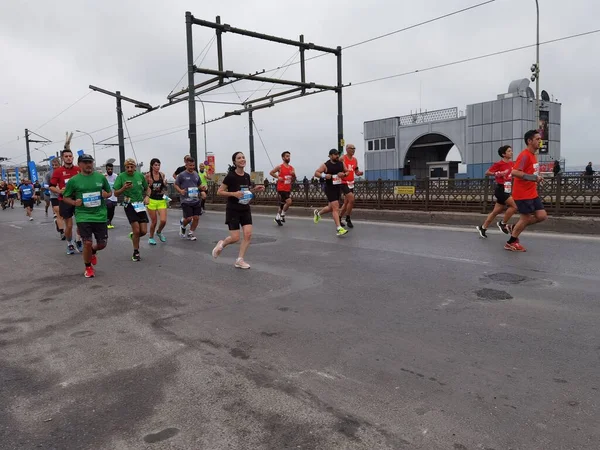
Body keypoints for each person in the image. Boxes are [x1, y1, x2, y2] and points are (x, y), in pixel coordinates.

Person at [211, 151, 265, 269]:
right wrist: (234, 194)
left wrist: (255, 189)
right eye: (239, 158)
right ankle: (222, 243)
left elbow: (245, 191)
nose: (242, 159)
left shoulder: (246, 176)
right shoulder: (230, 176)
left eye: (243, 157)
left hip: (245, 208)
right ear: (235, 162)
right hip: (233, 209)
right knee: (235, 238)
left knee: (248, 235)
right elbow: (219, 192)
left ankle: (239, 260)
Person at [61, 154, 112, 278]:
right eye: (86, 162)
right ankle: (88, 267)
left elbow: (110, 192)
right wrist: (74, 202)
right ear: (80, 164)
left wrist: (106, 194)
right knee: (87, 242)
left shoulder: (100, 178)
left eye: (90, 162)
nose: (89, 164)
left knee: (102, 244)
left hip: (100, 215)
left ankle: (93, 251)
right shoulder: (74, 180)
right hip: (83, 215)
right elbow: (65, 197)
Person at [504, 130, 547, 252]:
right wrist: (534, 178)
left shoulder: (533, 155)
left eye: (540, 139)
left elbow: (530, 172)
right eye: (537, 139)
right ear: (529, 141)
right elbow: (515, 172)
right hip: (522, 194)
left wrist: (537, 177)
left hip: (532, 192)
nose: (540, 141)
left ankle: (513, 227)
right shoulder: (524, 155)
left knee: (542, 216)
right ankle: (511, 242)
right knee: (525, 218)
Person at [113, 158, 150, 261]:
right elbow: (115, 193)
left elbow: (147, 188)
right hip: (129, 204)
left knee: (143, 231)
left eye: (131, 167)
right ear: (125, 167)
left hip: (140, 204)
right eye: (127, 167)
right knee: (137, 230)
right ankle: (136, 252)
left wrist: (147, 196)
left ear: (135, 167)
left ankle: (133, 236)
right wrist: (123, 188)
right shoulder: (121, 176)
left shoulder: (140, 176)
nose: (129, 169)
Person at [476, 145, 517, 238]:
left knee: (495, 212)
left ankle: (483, 227)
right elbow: (487, 172)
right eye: (509, 151)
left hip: (507, 188)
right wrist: (498, 173)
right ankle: (502, 223)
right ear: (503, 154)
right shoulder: (499, 164)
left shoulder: (511, 164)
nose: (511, 152)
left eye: (511, 151)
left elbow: (514, 173)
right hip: (500, 189)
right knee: (514, 206)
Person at [50, 146, 83, 254]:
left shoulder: (78, 169)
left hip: (78, 200)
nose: (68, 158)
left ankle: (78, 240)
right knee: (69, 225)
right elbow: (52, 186)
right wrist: (59, 191)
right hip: (65, 200)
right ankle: (69, 244)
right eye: (66, 156)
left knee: (81, 223)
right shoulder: (58, 171)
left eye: (70, 156)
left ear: (73, 157)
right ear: (63, 158)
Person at [312, 149, 349, 236]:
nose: (337, 156)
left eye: (338, 154)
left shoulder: (341, 163)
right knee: (336, 207)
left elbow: (347, 171)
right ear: (330, 155)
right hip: (329, 188)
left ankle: (318, 213)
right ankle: (339, 228)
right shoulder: (326, 165)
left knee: (330, 208)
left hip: (338, 187)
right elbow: (316, 173)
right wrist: (324, 175)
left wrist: (343, 174)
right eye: (335, 154)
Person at [174, 157, 205, 241]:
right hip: (185, 200)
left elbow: (199, 185)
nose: (192, 167)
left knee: (196, 218)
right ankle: (183, 226)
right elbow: (175, 184)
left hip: (195, 199)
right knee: (188, 218)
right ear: (186, 165)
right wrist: (180, 191)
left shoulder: (195, 174)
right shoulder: (182, 175)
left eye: (193, 165)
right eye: (190, 165)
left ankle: (190, 233)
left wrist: (202, 189)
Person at [339, 143, 363, 228]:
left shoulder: (355, 160)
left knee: (346, 203)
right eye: (351, 148)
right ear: (347, 149)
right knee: (352, 200)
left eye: (354, 148)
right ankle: (348, 218)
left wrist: (359, 173)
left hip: (351, 183)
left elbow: (356, 171)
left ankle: (339, 217)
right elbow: (338, 169)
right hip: (343, 182)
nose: (353, 150)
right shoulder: (342, 158)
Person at [145, 158, 168, 245]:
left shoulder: (162, 175)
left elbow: (163, 188)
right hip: (152, 200)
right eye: (155, 165)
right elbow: (144, 188)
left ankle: (158, 232)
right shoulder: (148, 176)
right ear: (152, 166)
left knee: (163, 221)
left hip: (161, 199)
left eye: (158, 165)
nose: (157, 167)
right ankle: (151, 237)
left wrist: (165, 185)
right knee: (154, 221)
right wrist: (149, 185)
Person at [270, 151, 296, 226]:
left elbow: (294, 179)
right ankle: (282, 216)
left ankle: (277, 218)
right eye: (287, 156)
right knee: (289, 202)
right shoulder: (280, 167)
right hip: (281, 188)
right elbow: (271, 172)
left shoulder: (292, 168)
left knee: (282, 205)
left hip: (288, 188)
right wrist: (278, 177)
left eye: (289, 156)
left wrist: (293, 175)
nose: (288, 158)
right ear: (283, 157)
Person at [47, 158, 65, 239]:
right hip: (54, 196)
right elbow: (46, 184)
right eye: (53, 165)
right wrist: (53, 189)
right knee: (59, 214)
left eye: (56, 165)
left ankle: (58, 223)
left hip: (64, 196)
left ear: (59, 164)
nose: (54, 167)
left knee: (64, 215)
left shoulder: (63, 172)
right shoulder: (49, 174)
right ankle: (62, 232)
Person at [105, 163, 118, 229]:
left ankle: (109, 221)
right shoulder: (104, 176)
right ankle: (107, 221)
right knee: (109, 205)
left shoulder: (115, 176)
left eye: (111, 169)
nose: (110, 170)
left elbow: (118, 185)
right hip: (106, 196)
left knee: (112, 210)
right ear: (106, 169)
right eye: (108, 169)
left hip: (114, 196)